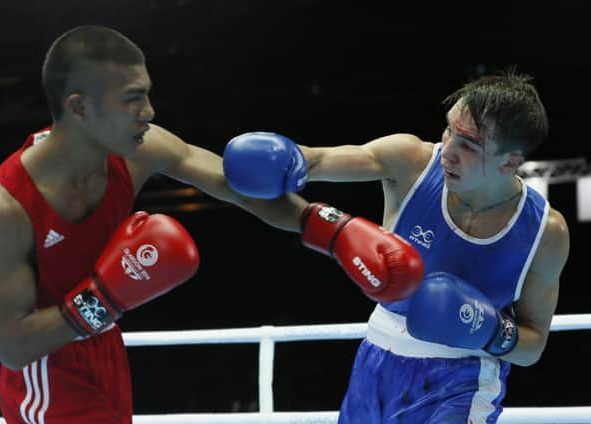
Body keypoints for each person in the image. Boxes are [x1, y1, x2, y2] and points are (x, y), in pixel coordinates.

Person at [0, 25, 423, 423]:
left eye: (146, 93)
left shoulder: (139, 150)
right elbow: (11, 347)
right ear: (79, 107)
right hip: (44, 375)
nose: (148, 111)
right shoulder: (7, 207)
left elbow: (234, 185)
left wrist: (328, 227)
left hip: (105, 349)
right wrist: (105, 296)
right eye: (132, 98)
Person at [222, 71, 570, 423]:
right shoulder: (411, 163)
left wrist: (489, 330)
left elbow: (532, 346)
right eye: (449, 130)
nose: (448, 152)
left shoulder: (545, 232)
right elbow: (316, 160)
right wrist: (287, 161)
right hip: (375, 360)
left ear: (509, 161)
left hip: (462, 382)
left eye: (469, 145)